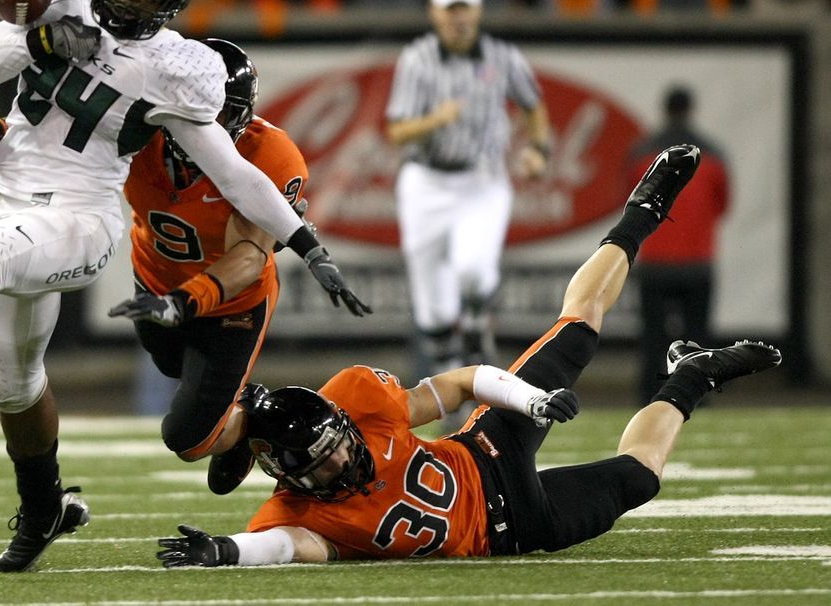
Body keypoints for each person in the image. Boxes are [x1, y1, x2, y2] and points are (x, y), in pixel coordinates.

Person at [0, 0, 369, 574]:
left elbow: (236, 175)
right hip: (16, 200)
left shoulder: (176, 68)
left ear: (172, 2)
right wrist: (41, 35)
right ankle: (44, 505)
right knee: (11, 381)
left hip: (81, 219)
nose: (127, 1)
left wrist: (308, 246)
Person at [155, 143, 782, 567]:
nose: (342, 459)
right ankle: (692, 377)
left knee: (579, 328)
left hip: (484, 452)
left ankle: (643, 211)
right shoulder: (299, 513)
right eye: (320, 465)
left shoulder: (362, 405)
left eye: (336, 443)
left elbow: (459, 384)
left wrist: (530, 399)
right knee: (640, 476)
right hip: (515, 532)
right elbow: (289, 545)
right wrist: (228, 552)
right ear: (289, 478)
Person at [107, 38, 309, 496]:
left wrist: (186, 300)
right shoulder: (135, 130)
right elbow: (62, 145)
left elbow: (250, 255)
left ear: (239, 117)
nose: (201, 122)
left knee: (189, 438)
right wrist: (1, 135)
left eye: (217, 112)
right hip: (155, 278)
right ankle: (241, 403)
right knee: (167, 361)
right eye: (189, 105)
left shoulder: (270, 156)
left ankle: (257, 418)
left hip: (232, 303)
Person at [385, 0, 551, 384]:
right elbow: (397, 130)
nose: (458, 18)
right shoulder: (417, 58)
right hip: (426, 182)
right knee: (434, 308)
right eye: (449, 9)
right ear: (434, 12)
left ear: (477, 10)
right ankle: (449, 391)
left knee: (474, 270)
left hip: (482, 178)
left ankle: (478, 332)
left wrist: (539, 148)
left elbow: (533, 104)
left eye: (465, 8)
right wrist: (434, 120)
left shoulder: (502, 56)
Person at [628, 86, 730, 404]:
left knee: (654, 337)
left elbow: (632, 205)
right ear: (690, 109)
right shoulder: (713, 155)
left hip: (655, 263)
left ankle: (650, 395)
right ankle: (698, 395)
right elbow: (722, 206)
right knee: (697, 335)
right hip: (697, 262)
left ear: (665, 109)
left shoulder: (643, 155)